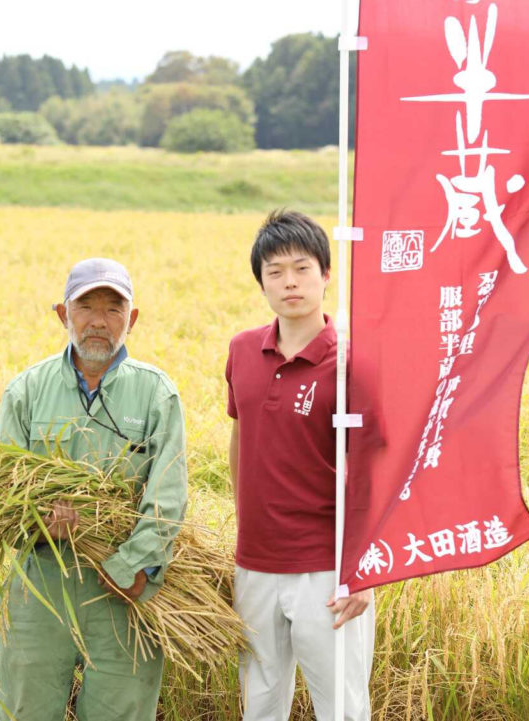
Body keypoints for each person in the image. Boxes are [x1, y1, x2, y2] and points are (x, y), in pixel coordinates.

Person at [0, 258, 187, 721]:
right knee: (24, 710)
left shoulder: (157, 394)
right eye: (86, 307)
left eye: (113, 309)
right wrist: (41, 524)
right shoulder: (26, 391)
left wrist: (133, 566)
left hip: (123, 588)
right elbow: (1, 494)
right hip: (40, 586)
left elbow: (170, 491)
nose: (99, 321)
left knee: (122, 712)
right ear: (63, 314)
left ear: (132, 319)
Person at [225, 211, 375, 721]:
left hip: (328, 567)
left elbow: (374, 465)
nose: (289, 281)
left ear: (326, 274)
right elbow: (240, 433)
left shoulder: (353, 361)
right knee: (260, 701)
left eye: (302, 268)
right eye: (274, 271)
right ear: (261, 283)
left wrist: (364, 567)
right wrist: (246, 528)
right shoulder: (242, 349)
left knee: (341, 706)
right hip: (256, 564)